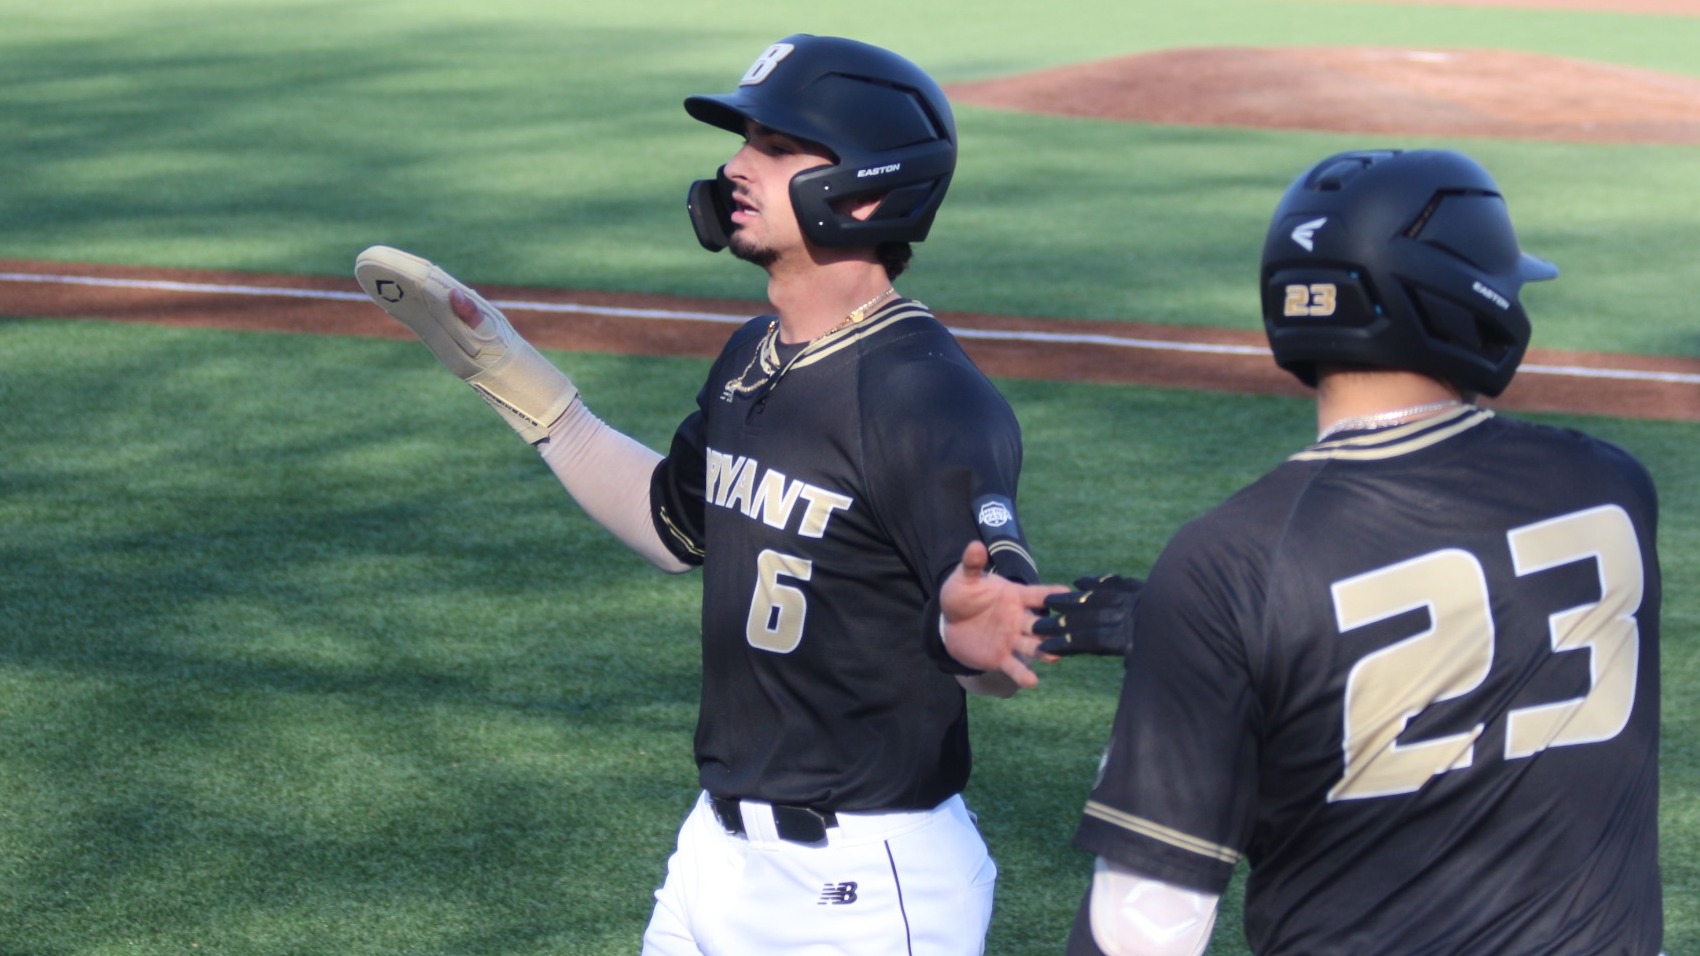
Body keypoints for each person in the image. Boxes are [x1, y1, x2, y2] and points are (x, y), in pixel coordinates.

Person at [352, 34, 1061, 956]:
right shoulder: (750, 359)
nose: (736, 165)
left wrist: (973, 647)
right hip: (713, 857)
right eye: (744, 140)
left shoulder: (922, 393)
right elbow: (670, 522)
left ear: (871, 187)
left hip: (864, 887)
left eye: (776, 146)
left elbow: (990, 623)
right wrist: (505, 371)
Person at [1024, 149, 1664, 954]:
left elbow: (1143, 928)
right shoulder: (1610, 487)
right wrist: (1218, 626)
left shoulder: (1230, 562)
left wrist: (1199, 632)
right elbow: (1463, 595)